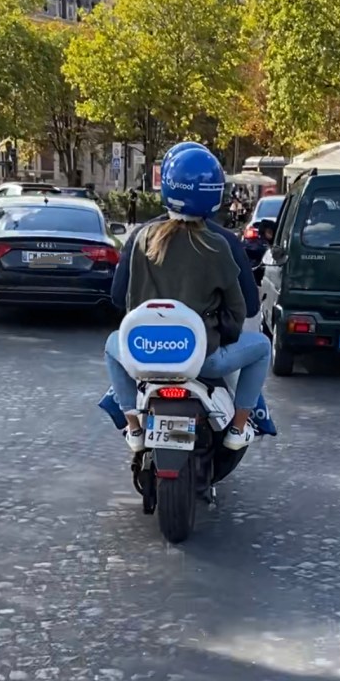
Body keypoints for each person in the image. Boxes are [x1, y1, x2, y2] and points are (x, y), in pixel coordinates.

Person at [105, 144, 271, 453]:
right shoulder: (218, 245)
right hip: (201, 360)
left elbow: (123, 301)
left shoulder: (141, 239)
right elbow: (240, 310)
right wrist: (220, 334)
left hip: (144, 358)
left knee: (110, 344)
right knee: (262, 347)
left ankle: (134, 428)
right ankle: (238, 427)